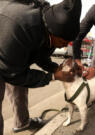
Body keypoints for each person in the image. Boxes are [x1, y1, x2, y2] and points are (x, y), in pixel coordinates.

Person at [0, 0, 81, 134]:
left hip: (11, 54)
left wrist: (55, 68)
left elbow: (40, 56)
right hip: (5, 42)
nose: (64, 46)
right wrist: (53, 76)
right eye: (63, 42)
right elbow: (14, 75)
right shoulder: (20, 26)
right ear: (52, 32)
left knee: (20, 88)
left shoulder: (48, 25)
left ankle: (22, 123)